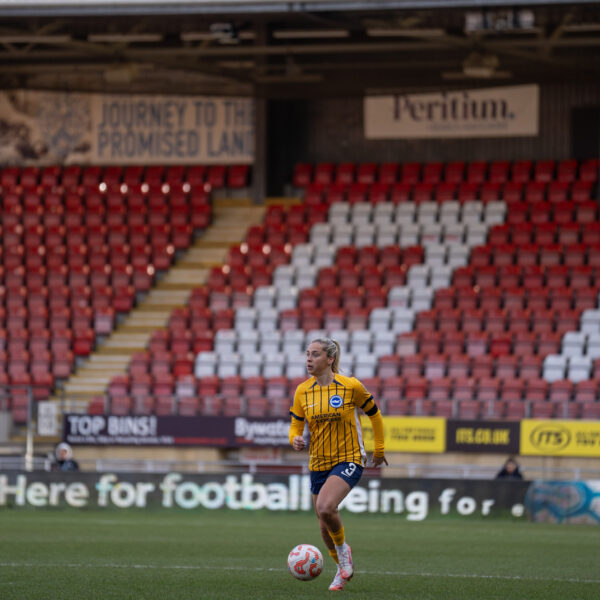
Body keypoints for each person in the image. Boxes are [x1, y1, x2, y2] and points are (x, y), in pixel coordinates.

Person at [289, 338, 387, 592]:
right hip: (318, 462)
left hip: (349, 458)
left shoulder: (350, 386)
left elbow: (374, 414)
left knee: (326, 506)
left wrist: (379, 448)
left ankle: (344, 554)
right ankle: (340, 571)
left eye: (315, 354)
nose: (309, 359)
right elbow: (296, 426)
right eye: (307, 354)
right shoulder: (303, 391)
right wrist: (295, 439)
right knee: (323, 525)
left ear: (330, 359)